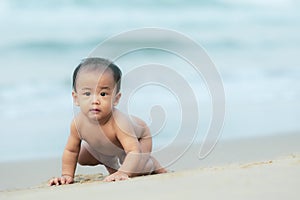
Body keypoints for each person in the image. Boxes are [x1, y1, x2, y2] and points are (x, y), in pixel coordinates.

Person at [49, 57, 166, 186]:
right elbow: (71, 151)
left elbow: (133, 151)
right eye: (87, 94)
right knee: (82, 156)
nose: (95, 100)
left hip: (139, 139)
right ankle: (110, 162)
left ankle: (152, 163)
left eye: (103, 94)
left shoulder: (119, 122)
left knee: (136, 168)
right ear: (76, 98)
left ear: (116, 99)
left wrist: (124, 172)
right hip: (109, 146)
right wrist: (67, 175)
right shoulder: (78, 123)